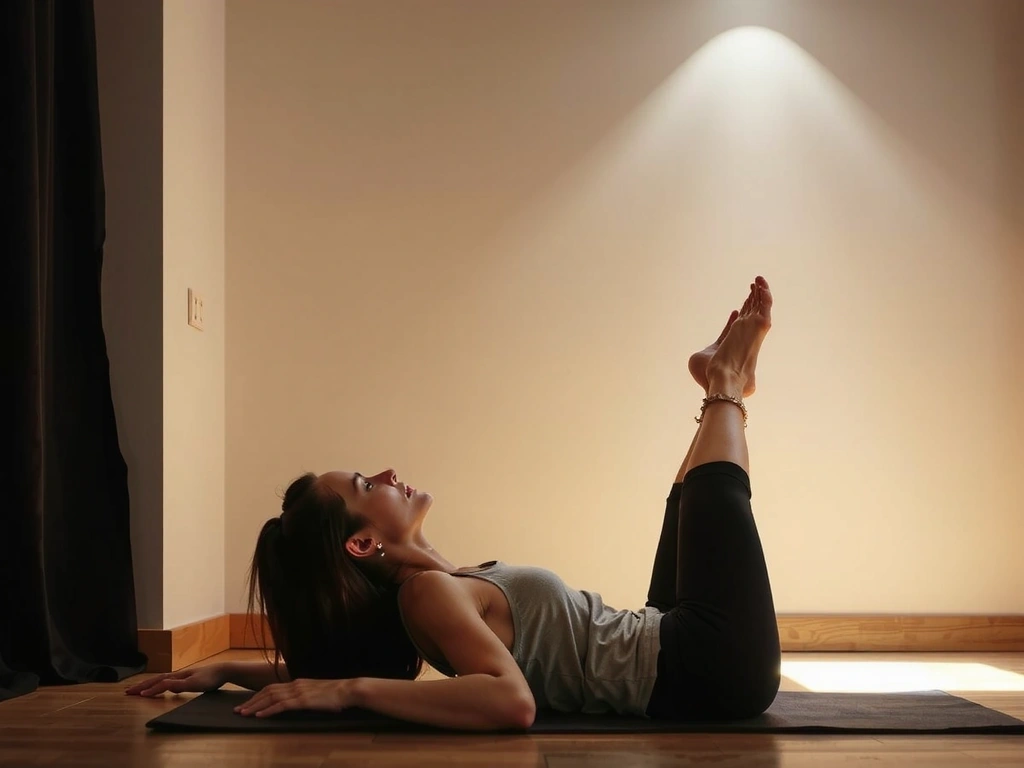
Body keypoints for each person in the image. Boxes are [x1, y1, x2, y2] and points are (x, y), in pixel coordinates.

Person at [127, 276, 782, 731]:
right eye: (365, 485)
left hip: (670, 639)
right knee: (709, 495)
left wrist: (228, 675)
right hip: (707, 669)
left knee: (683, 502)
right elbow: (511, 702)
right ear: (361, 544)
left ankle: (721, 394)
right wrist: (349, 690)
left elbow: (349, 666)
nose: (385, 472)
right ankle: (725, 385)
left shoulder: (424, 591)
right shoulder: (425, 597)